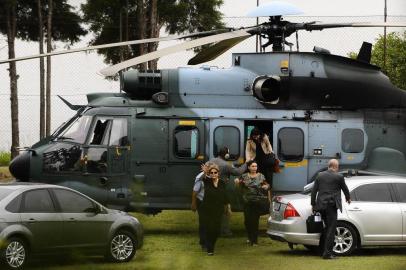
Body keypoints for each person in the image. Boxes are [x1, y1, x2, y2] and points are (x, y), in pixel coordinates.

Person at [311, 159, 351, 259]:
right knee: (331, 229)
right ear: (335, 166)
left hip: (321, 206)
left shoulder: (320, 175)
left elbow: (314, 191)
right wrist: (348, 198)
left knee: (326, 229)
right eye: (338, 167)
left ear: (329, 166)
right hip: (331, 206)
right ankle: (327, 254)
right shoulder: (339, 176)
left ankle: (323, 250)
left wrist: (313, 204)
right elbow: (345, 189)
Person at [210, 146, 247, 236]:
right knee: (225, 212)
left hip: (210, 190)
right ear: (226, 155)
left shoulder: (210, 161)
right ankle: (225, 231)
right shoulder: (226, 165)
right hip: (220, 191)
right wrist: (246, 163)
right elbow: (238, 172)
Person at [235, 160, 270, 246]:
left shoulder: (261, 176)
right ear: (249, 167)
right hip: (247, 201)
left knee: (254, 221)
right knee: (247, 221)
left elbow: (267, 186)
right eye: (253, 166)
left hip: (257, 201)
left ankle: (254, 241)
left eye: (256, 166)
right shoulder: (243, 176)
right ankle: (250, 237)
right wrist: (237, 183)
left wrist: (266, 187)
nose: (255, 168)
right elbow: (238, 187)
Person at [199, 164, 231, 255]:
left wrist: (228, 208)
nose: (213, 174)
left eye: (215, 172)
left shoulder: (222, 183)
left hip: (218, 209)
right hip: (207, 208)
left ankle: (211, 244)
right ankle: (210, 249)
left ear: (218, 173)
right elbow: (200, 178)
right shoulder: (206, 181)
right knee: (209, 228)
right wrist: (205, 172)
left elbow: (225, 196)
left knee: (216, 230)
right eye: (211, 173)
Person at [191, 161, 215, 251]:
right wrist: (193, 204)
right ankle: (203, 243)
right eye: (209, 167)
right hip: (202, 202)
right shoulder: (200, 177)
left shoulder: (215, 175)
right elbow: (194, 192)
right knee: (204, 223)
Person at [245, 127, 274, 194]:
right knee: (257, 172)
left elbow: (268, 144)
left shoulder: (264, 137)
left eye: (257, 136)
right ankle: (257, 190)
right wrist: (248, 159)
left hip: (265, 156)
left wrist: (271, 151)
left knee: (266, 174)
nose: (256, 138)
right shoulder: (249, 140)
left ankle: (267, 189)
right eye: (254, 136)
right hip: (255, 158)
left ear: (260, 134)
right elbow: (247, 150)